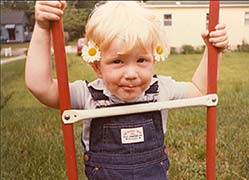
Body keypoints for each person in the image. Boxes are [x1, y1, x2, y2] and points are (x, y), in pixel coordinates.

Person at [25, 1, 229, 179]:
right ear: (97, 66)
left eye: (141, 60)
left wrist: (214, 51)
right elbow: (40, 86)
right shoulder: (88, 95)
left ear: (154, 58)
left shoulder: (160, 90)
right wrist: (43, 27)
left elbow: (201, 91)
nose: (131, 73)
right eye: (117, 61)